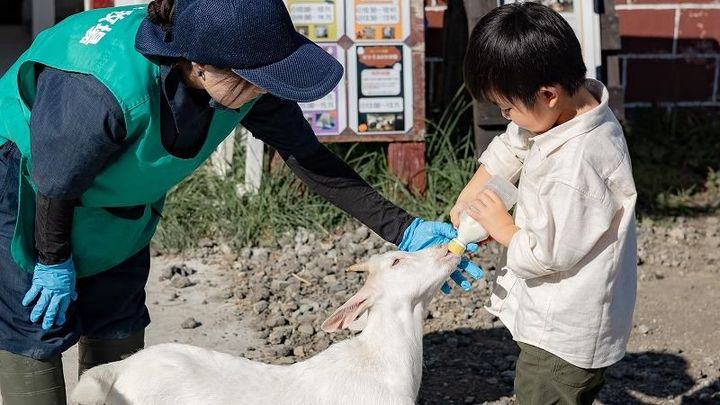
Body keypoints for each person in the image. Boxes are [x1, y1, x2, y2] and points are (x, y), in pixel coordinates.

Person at [0, 0, 482, 403]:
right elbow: (55, 181)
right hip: (28, 178)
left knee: (116, 314)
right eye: (255, 80)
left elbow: (309, 159)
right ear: (200, 65)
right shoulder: (99, 88)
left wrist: (404, 229)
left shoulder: (242, 72)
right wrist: (52, 260)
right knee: (36, 324)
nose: (264, 91)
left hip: (119, 195)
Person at [454, 3, 637, 404]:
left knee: (540, 393)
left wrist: (503, 227)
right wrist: (474, 189)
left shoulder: (577, 167)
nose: (507, 118)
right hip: (562, 319)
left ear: (548, 95)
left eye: (507, 108)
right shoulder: (574, 106)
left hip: (563, 334)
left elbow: (547, 253)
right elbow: (515, 142)